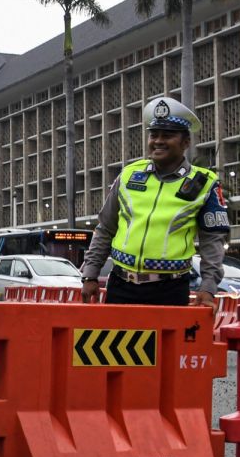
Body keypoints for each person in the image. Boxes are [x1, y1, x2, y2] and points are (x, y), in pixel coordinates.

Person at [80, 97, 229, 307]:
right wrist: (90, 275)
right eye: (154, 135)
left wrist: (208, 288)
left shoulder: (204, 183)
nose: (158, 141)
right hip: (121, 286)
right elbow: (105, 228)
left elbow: (212, 242)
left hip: (169, 291)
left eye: (167, 135)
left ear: (186, 142)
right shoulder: (129, 175)